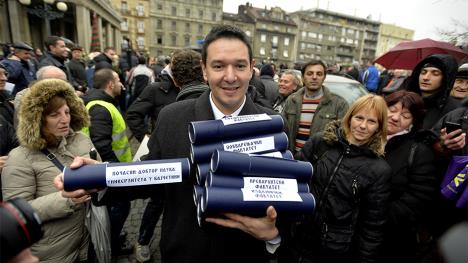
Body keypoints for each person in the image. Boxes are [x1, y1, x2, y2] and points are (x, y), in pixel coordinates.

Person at [55, 24, 283, 263]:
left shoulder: (272, 124)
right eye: (218, 66)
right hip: (183, 252)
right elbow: (151, 178)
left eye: (239, 65)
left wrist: (274, 234)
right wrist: (98, 178)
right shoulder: (172, 117)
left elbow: (288, 199)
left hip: (245, 255)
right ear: (204, 70)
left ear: (251, 69)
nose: (230, 76)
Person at [285, 94, 392, 263]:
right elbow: (293, 179)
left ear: (379, 127)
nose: (363, 126)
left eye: (371, 121)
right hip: (296, 235)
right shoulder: (320, 142)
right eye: (359, 118)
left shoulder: (379, 170)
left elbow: (372, 226)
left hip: (333, 250)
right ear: (349, 118)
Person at [1, 79, 94, 262]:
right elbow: (18, 212)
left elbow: (97, 169)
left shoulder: (81, 139)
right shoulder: (20, 158)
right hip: (53, 251)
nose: (64, 119)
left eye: (67, 112)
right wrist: (64, 200)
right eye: (54, 115)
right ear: (37, 119)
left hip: (88, 237)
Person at [132, 48, 208, 263]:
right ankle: (143, 240)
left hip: (187, 173)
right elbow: (134, 114)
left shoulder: (214, 100)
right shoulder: (156, 90)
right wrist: (147, 138)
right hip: (162, 159)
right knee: (156, 202)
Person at [380, 90, 438, 263]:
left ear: (413, 122)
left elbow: (418, 199)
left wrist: (377, 216)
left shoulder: (419, 151)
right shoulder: (363, 137)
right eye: (392, 109)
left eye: (406, 115)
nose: (396, 118)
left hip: (391, 239)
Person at [82, 68, 132, 257]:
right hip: (110, 174)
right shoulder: (100, 107)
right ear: (110, 84)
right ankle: (110, 247)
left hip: (112, 170)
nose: (121, 84)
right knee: (119, 208)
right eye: (118, 80)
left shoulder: (102, 104)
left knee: (119, 208)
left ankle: (113, 241)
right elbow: (101, 143)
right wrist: (115, 172)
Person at [282, 60, 349, 154]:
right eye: (309, 73)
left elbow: (343, 137)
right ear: (302, 77)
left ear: (324, 77)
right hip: (294, 160)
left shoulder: (339, 104)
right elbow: (282, 130)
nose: (314, 77)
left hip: (321, 162)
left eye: (319, 74)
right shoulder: (291, 100)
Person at [403, 54, 460, 129]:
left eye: (435, 73)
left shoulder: (454, 110)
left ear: (446, 78)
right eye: (423, 72)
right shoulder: (405, 99)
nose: (426, 78)